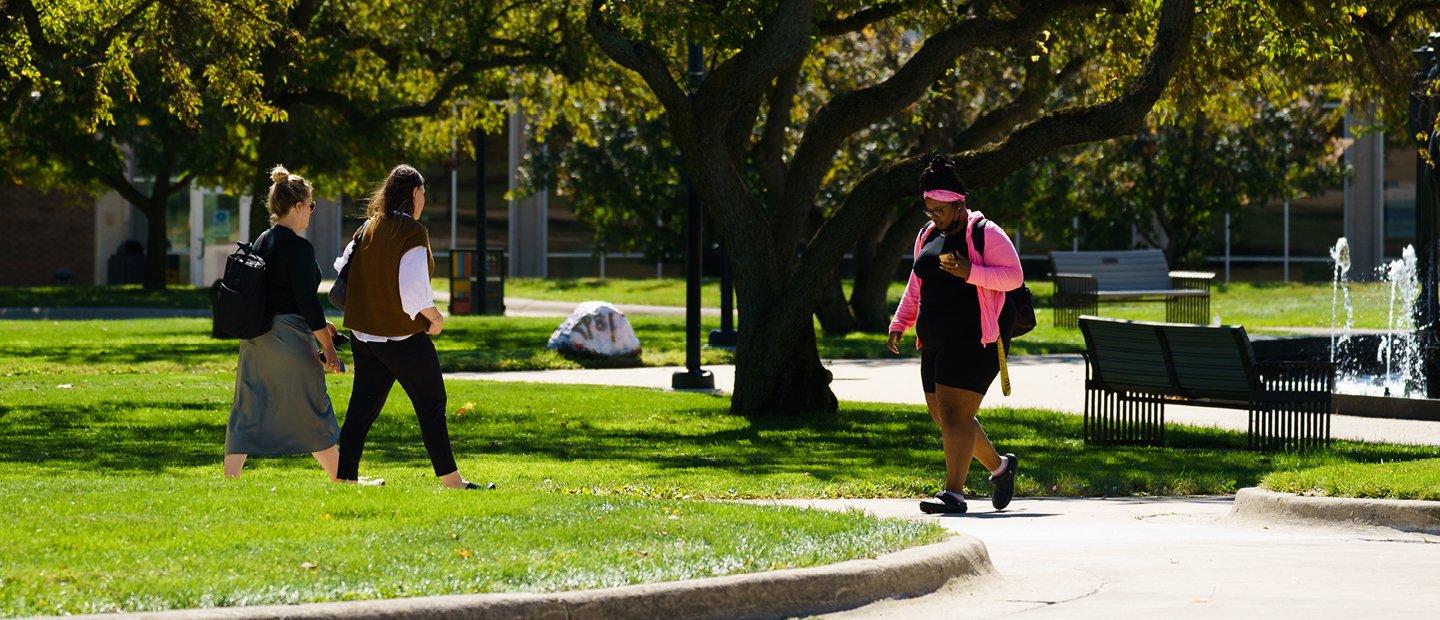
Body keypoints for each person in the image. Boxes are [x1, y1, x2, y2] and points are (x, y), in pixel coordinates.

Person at [886, 154, 1023, 514]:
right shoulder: (927, 235)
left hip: (975, 337)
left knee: (954, 413)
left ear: (959, 204)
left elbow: (1014, 276)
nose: (934, 217)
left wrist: (970, 271)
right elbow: (917, 281)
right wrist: (901, 321)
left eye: (940, 210)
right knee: (943, 415)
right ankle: (1000, 467)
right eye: (929, 210)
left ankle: (953, 494)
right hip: (935, 337)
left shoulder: (985, 233)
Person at [334, 164, 484, 490]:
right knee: (432, 405)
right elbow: (413, 291)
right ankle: (452, 481)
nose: (425, 199)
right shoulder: (412, 232)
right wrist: (435, 318)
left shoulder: (367, 228)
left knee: (361, 411)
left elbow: (343, 267)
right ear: (415, 193)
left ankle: (345, 478)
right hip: (402, 338)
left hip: (365, 336)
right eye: (424, 193)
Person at [224, 165, 343, 480]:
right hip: (288, 337)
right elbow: (306, 302)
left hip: (255, 337)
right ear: (299, 206)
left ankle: (229, 479)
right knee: (313, 403)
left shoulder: (264, 240)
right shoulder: (299, 247)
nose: (312, 212)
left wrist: (323, 328)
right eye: (312, 205)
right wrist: (328, 347)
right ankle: (341, 477)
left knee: (247, 407)